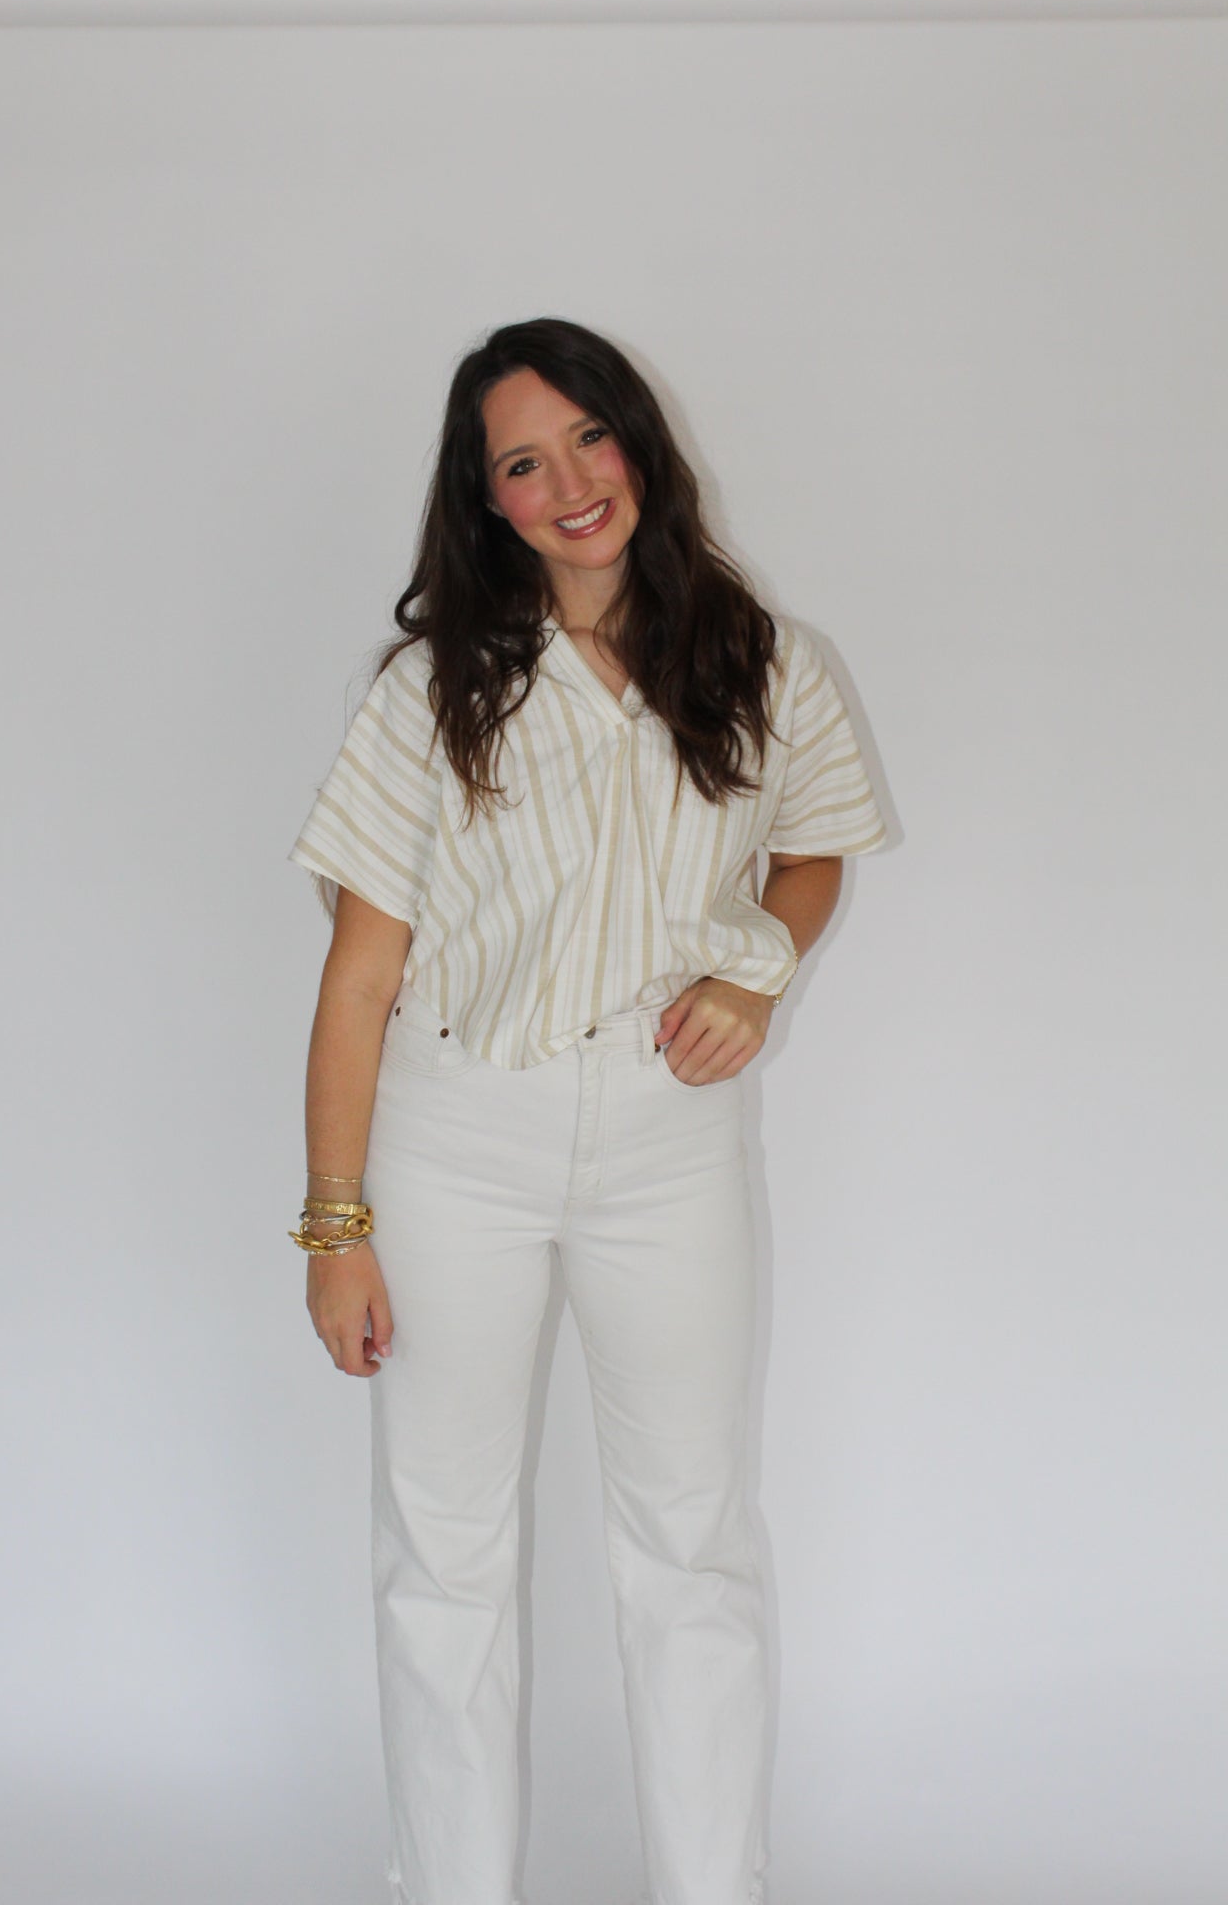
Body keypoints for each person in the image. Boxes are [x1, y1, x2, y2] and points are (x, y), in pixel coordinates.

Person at [286, 317, 888, 1905]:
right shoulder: (431, 693)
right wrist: (337, 1226)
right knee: (446, 1559)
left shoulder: (763, 660)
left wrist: (758, 974)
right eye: (522, 462)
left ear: (639, 441)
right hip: (456, 1141)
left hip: (669, 1144)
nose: (569, 483)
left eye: (589, 438)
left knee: (695, 1545)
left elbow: (815, 845)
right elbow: (359, 975)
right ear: (483, 498)